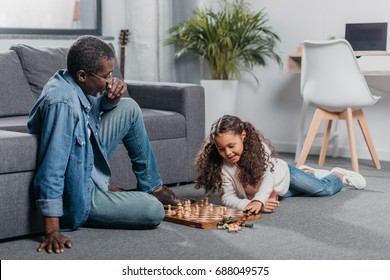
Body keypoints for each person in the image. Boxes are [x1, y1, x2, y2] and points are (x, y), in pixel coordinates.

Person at [28, 35, 191, 254]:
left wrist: (111, 100)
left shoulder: (73, 83)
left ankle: (153, 186)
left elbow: (89, 118)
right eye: (107, 76)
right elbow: (52, 168)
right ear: (83, 75)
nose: (110, 81)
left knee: (128, 107)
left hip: (83, 158)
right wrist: (52, 230)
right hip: (79, 193)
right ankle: (108, 197)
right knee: (153, 211)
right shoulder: (62, 104)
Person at [194, 115, 366, 214]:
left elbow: (268, 176)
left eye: (232, 146)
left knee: (323, 190)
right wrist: (249, 203)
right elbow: (227, 197)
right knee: (301, 193)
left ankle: (339, 175)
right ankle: (307, 172)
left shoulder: (259, 149)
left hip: (285, 175)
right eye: (221, 149)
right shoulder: (224, 167)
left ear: (243, 136)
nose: (228, 153)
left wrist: (258, 201)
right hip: (277, 191)